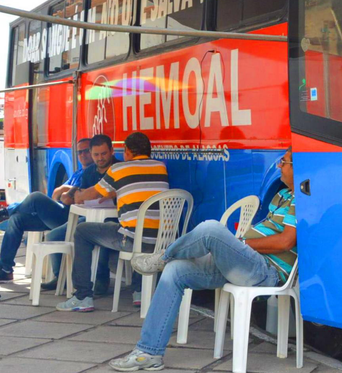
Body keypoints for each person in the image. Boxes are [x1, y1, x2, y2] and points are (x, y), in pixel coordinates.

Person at [109, 150, 296, 371]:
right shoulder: (282, 195)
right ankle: (149, 352)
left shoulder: (303, 199)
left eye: (283, 162)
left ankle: (164, 255)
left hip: (266, 271)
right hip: (248, 262)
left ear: (298, 167)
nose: (278, 167)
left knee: (211, 229)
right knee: (175, 271)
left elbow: (286, 241)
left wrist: (243, 244)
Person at [0, 136, 119, 284]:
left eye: (103, 154)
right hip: (71, 213)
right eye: (94, 154)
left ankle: (61, 279)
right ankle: (5, 269)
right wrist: (74, 193)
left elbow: (78, 196)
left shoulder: (118, 169)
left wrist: (78, 194)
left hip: (87, 218)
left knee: (36, 199)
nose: (98, 158)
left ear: (111, 151)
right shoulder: (87, 172)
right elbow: (69, 195)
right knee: (17, 220)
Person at [57, 131, 168, 312]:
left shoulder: (119, 169)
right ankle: (139, 291)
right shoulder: (160, 167)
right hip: (161, 241)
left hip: (131, 241)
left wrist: (77, 195)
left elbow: (91, 193)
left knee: (82, 231)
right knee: (143, 232)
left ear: (126, 151)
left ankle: (83, 296)